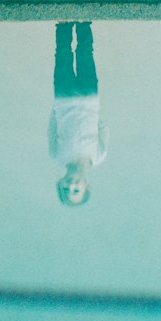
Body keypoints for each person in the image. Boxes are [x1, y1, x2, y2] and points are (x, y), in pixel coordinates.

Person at [49, 21, 108, 206]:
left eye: (66, 189)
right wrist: (92, 108)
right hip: (89, 96)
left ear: (60, 182)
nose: (71, 185)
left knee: (63, 54)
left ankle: (63, 23)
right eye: (76, 190)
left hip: (63, 95)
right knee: (85, 53)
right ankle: (83, 21)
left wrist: (59, 105)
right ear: (86, 185)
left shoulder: (57, 156)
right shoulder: (98, 156)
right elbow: (103, 127)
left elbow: (52, 126)